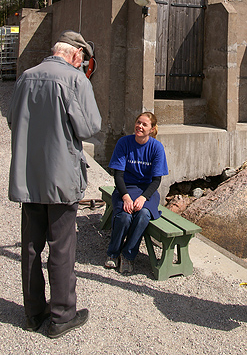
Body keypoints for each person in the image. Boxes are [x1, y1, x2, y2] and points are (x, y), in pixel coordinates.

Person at [7, 30, 102, 339]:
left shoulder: (25, 77)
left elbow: (12, 119)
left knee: (31, 246)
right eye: (83, 60)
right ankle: (62, 315)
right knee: (62, 247)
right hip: (61, 180)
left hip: (29, 176)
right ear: (76, 54)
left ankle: (33, 313)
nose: (83, 65)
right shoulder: (77, 81)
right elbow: (89, 128)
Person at [105, 111, 168, 275]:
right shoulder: (124, 143)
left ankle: (128, 256)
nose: (139, 126)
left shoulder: (156, 147)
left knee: (143, 215)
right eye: (138, 122)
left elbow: (156, 180)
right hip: (126, 187)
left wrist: (143, 198)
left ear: (152, 129)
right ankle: (113, 253)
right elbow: (117, 175)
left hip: (147, 191)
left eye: (144, 124)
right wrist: (125, 197)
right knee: (124, 215)